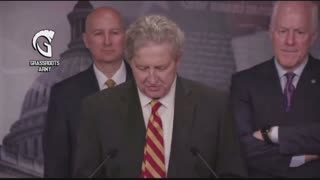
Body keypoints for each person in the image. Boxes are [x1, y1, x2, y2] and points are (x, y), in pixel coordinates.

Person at [72, 14, 247, 178]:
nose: (152, 78)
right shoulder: (99, 109)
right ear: (130, 61)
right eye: (142, 68)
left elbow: (232, 173)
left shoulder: (214, 106)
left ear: (178, 60)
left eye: (161, 68)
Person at [231, 1, 320, 178]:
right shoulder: (243, 82)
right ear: (271, 33)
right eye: (282, 31)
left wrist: (273, 134)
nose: (289, 41)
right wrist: (299, 159)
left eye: (300, 32)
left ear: (313, 37)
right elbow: (240, 147)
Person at [42, 6, 133, 178]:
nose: (107, 41)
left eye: (114, 32)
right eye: (98, 33)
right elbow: (56, 169)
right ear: (86, 40)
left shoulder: (152, 87)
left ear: (126, 37)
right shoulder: (63, 96)